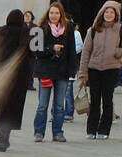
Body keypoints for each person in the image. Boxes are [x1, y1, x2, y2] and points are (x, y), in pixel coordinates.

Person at [78, 1, 122, 139]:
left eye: (112, 12)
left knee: (107, 100)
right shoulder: (93, 30)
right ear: (102, 13)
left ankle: (104, 130)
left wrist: (116, 52)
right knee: (95, 100)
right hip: (94, 68)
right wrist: (83, 72)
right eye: (106, 12)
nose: (109, 15)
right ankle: (91, 130)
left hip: (111, 68)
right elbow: (86, 52)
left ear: (116, 15)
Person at [34, 2, 77, 140]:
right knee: (42, 105)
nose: (54, 15)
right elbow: (37, 51)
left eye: (57, 13)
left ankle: (58, 132)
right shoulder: (41, 29)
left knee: (59, 105)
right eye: (52, 12)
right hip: (46, 71)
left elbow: (72, 50)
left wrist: (72, 69)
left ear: (61, 14)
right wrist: (52, 48)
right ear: (48, 13)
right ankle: (39, 132)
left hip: (62, 72)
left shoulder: (68, 28)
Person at [0, 9, 32, 150]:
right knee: (13, 106)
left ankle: (2, 138)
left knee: (1, 107)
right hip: (18, 77)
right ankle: (6, 136)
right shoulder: (25, 32)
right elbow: (30, 52)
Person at [64, 21, 83, 118]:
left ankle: (69, 112)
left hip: (70, 65)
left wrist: (70, 51)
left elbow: (80, 47)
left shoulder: (76, 34)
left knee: (68, 91)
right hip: (59, 68)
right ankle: (56, 113)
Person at [24, 9, 37, 88]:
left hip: (32, 52)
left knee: (31, 68)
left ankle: (30, 84)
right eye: (25, 16)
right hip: (23, 52)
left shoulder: (35, 27)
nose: (27, 17)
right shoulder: (21, 26)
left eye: (29, 16)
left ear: (32, 17)